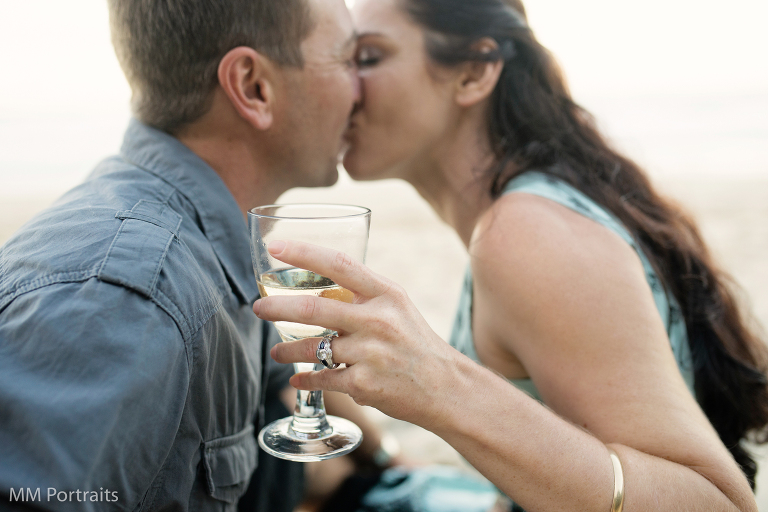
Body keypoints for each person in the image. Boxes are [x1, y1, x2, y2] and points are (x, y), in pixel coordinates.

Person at [253, 0, 768, 510]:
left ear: (473, 72)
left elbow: (720, 505)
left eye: (367, 58)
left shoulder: (528, 234)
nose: (346, 87)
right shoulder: (520, 211)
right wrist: (386, 454)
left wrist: (444, 386)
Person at [0, 0, 367, 510]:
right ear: (254, 87)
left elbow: (281, 392)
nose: (362, 89)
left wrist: (380, 461)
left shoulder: (212, 249)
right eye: (349, 59)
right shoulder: (124, 298)